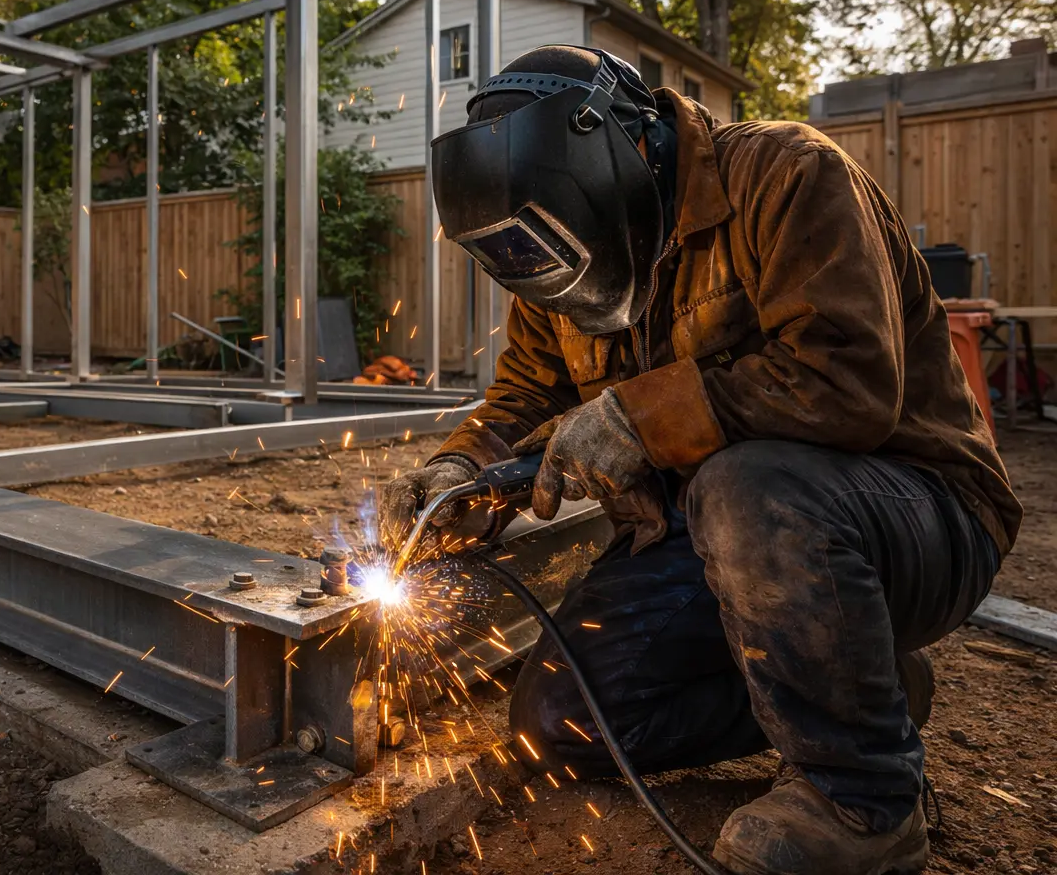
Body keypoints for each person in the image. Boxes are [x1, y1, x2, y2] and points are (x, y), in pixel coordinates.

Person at [378, 45, 1020, 875]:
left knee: (744, 484)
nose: (554, 288)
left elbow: (850, 384)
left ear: (625, 152)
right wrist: (463, 470)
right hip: (712, 536)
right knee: (561, 720)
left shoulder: (787, 176)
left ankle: (863, 800)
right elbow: (525, 401)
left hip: (914, 514)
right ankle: (868, 688)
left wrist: (642, 419)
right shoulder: (559, 264)